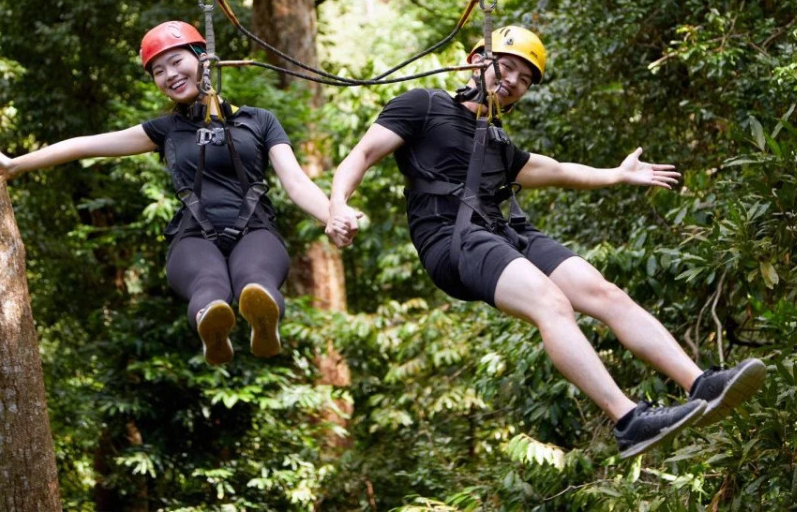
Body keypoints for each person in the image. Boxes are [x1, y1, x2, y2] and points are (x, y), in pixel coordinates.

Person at [325, 25, 766, 459]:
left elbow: (555, 169)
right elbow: (361, 155)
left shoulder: (499, 142)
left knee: (603, 292)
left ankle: (701, 383)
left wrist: (616, 174)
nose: (514, 82)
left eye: (524, 78)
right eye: (508, 67)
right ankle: (629, 421)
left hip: (500, 231)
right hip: (449, 237)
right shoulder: (423, 106)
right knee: (550, 302)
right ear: (477, 61)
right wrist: (338, 205)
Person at [0, 21, 336, 366]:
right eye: (158, 70)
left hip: (255, 229)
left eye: (176, 62)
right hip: (193, 234)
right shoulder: (165, 129)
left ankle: (264, 320)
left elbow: (296, 181)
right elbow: (85, 145)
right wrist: (18, 164)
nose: (169, 74)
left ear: (204, 58)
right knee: (209, 285)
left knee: (255, 279)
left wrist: (332, 215)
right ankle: (211, 325)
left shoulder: (259, 121)